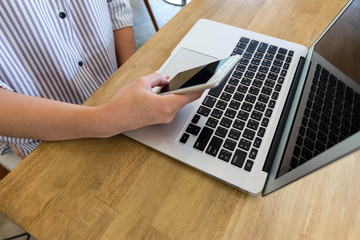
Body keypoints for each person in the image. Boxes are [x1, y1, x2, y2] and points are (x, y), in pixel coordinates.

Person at [0, 0, 200, 159]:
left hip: (119, 94)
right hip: (46, 140)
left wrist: (128, 80)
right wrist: (107, 119)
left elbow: (115, 6)